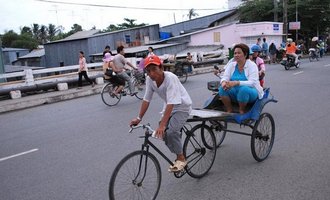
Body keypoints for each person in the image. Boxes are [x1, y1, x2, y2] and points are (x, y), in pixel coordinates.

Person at [130, 55, 192, 172]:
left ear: (161, 67)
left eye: (154, 69)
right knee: (163, 134)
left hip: (182, 106)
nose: (151, 74)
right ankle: (177, 147)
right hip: (169, 106)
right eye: (148, 71)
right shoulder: (150, 80)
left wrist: (163, 125)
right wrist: (139, 118)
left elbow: (172, 103)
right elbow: (146, 99)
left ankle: (181, 158)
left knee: (171, 131)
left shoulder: (170, 78)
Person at [219, 43, 264, 114]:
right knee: (222, 88)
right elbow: (225, 77)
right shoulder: (231, 65)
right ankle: (229, 110)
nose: (236, 55)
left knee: (243, 89)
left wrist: (237, 83)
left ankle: (241, 110)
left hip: (250, 92)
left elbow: (252, 83)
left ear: (245, 54)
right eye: (235, 53)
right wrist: (224, 82)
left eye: (239, 53)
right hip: (235, 92)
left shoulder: (252, 65)